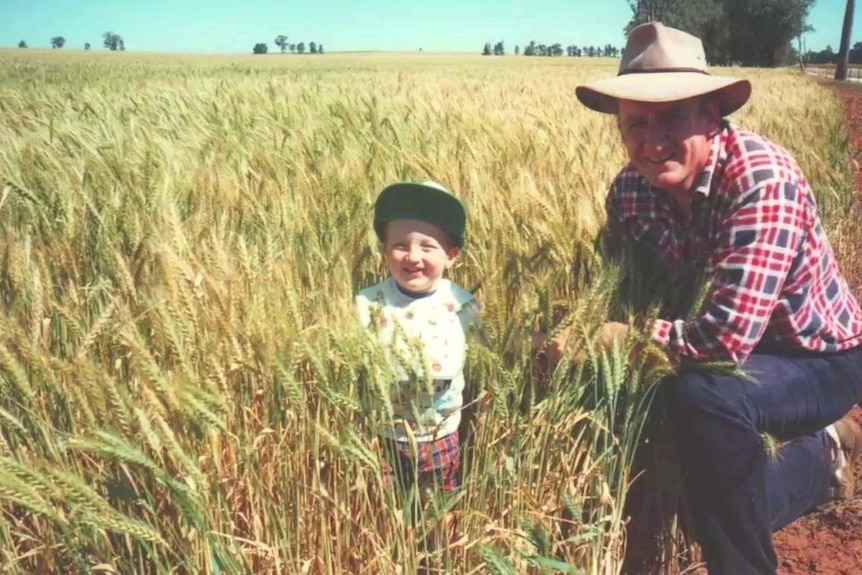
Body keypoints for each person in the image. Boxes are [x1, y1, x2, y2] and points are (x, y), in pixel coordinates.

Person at [539, 22, 862, 575]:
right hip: (719, 362)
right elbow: (622, 288)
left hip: (815, 358)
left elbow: (723, 343)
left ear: (712, 115)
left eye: (671, 118)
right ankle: (813, 457)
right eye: (635, 122)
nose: (651, 140)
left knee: (702, 396)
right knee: (696, 499)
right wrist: (572, 330)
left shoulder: (763, 179)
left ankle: (760, 541)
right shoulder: (630, 191)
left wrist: (620, 340)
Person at [355, 180, 480, 568]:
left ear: (452, 254)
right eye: (400, 245)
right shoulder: (367, 303)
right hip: (384, 435)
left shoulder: (462, 304)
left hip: (440, 434)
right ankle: (393, 561)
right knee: (388, 510)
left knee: (437, 510)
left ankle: (436, 563)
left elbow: (486, 355)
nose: (413, 257)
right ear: (383, 249)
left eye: (428, 246)